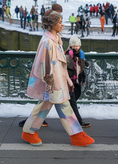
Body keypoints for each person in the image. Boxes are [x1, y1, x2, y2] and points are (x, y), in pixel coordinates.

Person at [22, 10, 94, 147]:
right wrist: (52, 84)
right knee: (63, 106)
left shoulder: (53, 40)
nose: (62, 25)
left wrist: (67, 81)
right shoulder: (49, 42)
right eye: (60, 22)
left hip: (55, 83)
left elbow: (58, 65)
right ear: (53, 24)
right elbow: (47, 65)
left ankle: (29, 131)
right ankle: (77, 135)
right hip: (54, 84)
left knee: (45, 106)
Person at [65, 35, 91, 128]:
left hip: (77, 80)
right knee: (72, 102)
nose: (76, 47)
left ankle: (36, 119)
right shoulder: (68, 54)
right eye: (74, 45)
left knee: (72, 100)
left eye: (78, 45)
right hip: (70, 81)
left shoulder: (81, 53)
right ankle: (78, 122)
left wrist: (84, 63)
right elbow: (67, 68)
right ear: (71, 45)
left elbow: (81, 66)